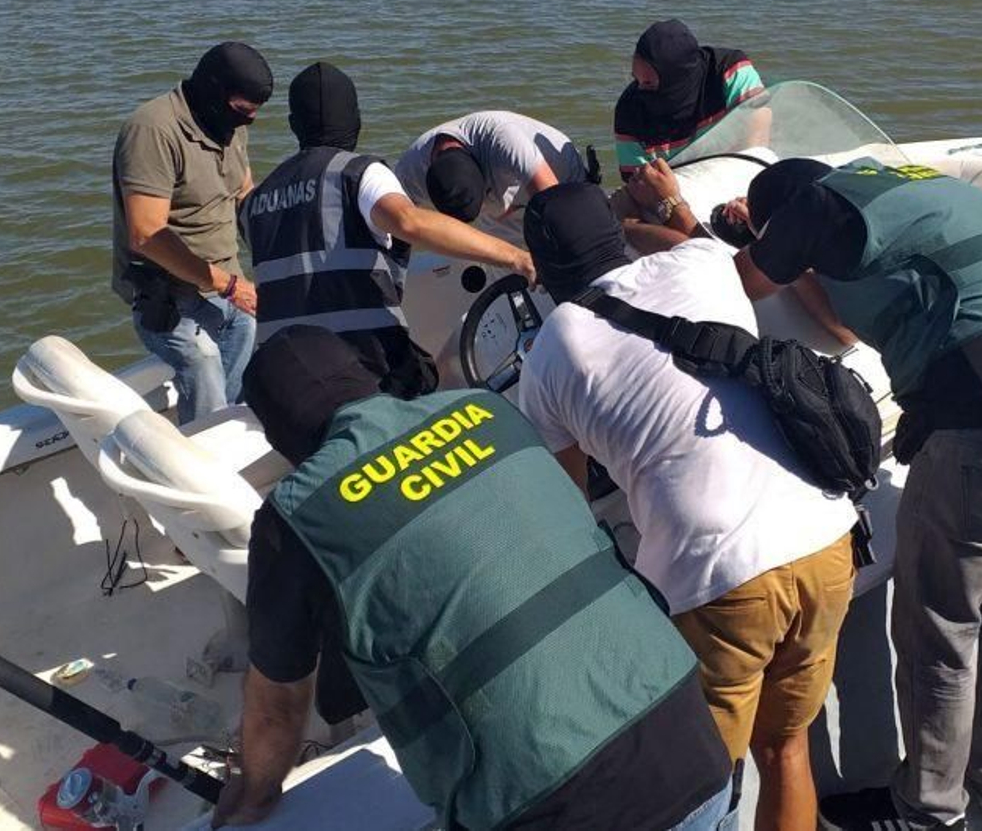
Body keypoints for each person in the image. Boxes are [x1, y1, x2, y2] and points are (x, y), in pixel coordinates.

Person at [212, 325, 735, 830]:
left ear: (279, 434)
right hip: (692, 742)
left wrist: (252, 795)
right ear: (366, 377)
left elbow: (277, 711)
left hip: (553, 806)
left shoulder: (296, 514)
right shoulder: (485, 409)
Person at [733, 158, 982, 831]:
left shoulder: (812, 207)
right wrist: (801, 262)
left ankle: (928, 812)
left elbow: (739, 281)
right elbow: (849, 326)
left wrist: (698, 226)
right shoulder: (900, 188)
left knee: (941, 629)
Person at [515, 182, 858, 831]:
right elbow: (687, 250)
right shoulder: (701, 259)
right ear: (616, 234)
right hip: (826, 533)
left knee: (700, 785)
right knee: (786, 748)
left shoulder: (553, 346)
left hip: (719, 574)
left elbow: (564, 507)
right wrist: (657, 214)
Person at [239, 62, 535, 395]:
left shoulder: (256, 202)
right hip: (361, 373)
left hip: (285, 382)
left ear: (294, 126)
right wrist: (516, 257)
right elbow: (409, 221)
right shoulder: (359, 173)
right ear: (356, 119)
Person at [112, 41, 270, 424]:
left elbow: (243, 192)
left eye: (253, 115)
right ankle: (201, 451)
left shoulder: (228, 126)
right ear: (214, 92)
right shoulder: (153, 130)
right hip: (169, 297)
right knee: (203, 361)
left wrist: (279, 248)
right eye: (242, 112)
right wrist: (229, 286)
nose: (246, 123)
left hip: (227, 285)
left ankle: (225, 429)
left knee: (249, 338)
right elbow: (146, 233)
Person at [393, 110, 588, 244]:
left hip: (560, 178)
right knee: (505, 264)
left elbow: (557, 203)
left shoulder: (504, 139)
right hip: (498, 215)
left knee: (565, 237)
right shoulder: (409, 172)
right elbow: (396, 224)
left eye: (487, 193)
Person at [613, 19, 765, 179]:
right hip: (678, 192)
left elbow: (758, 135)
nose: (640, 90)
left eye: (649, 83)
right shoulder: (629, 109)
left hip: (738, 176)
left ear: (676, 78)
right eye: (636, 80)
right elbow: (638, 182)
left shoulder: (730, 70)